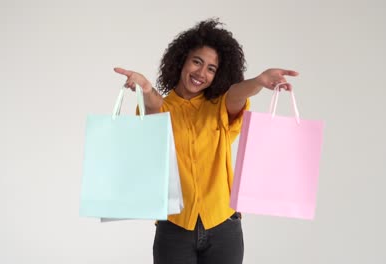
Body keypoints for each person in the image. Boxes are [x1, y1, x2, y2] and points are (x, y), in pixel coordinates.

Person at [114, 18, 298, 264]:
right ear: (182, 61)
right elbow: (154, 106)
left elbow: (235, 94)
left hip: (224, 228)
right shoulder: (163, 107)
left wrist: (258, 82)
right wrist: (146, 88)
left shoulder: (218, 106)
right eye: (197, 62)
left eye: (211, 68)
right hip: (174, 228)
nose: (202, 73)